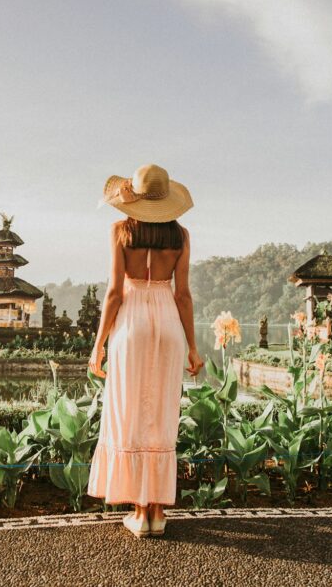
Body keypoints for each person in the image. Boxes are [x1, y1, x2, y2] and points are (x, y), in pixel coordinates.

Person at [87, 163, 204, 538]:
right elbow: (183, 295)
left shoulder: (120, 232)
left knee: (131, 411)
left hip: (132, 324)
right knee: (161, 413)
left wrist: (98, 345)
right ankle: (157, 512)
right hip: (168, 322)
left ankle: (139, 511)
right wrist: (193, 347)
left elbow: (115, 293)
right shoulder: (181, 235)